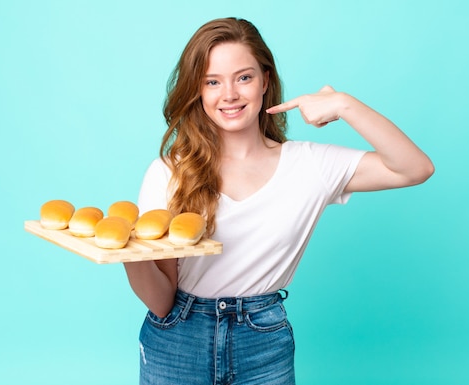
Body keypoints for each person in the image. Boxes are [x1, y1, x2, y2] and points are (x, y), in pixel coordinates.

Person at [123, 17, 434, 385]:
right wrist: (128, 251)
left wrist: (344, 105)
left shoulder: (310, 166)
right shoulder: (169, 172)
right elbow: (161, 302)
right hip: (178, 339)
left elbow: (415, 168)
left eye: (244, 77)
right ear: (198, 90)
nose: (230, 95)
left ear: (265, 80)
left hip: (262, 340)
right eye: (212, 82)